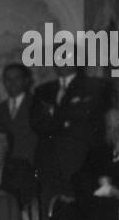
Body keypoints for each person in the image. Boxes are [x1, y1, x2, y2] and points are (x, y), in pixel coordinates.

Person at [30, 66, 109, 209]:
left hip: (81, 162)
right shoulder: (43, 90)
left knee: (81, 213)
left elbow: (86, 115)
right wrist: (68, 117)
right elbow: (37, 124)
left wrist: (54, 113)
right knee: (49, 213)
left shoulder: (93, 85)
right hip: (49, 164)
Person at [0, 62, 36, 167]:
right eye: (7, 79)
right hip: (6, 167)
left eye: (17, 78)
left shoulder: (37, 105)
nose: (12, 82)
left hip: (31, 165)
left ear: (26, 81)